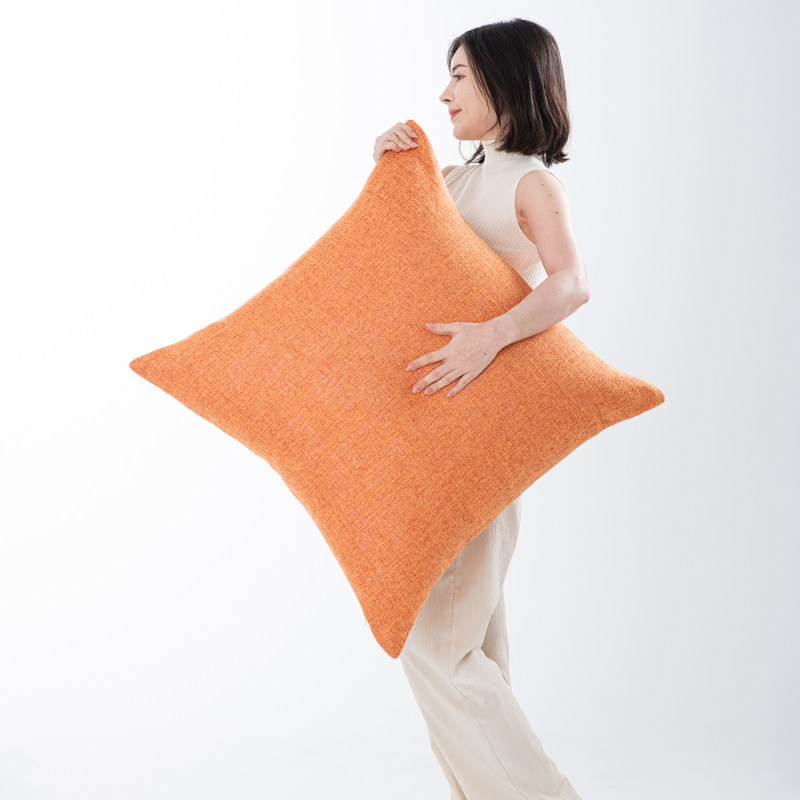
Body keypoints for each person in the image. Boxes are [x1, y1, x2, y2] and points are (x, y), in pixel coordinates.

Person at [372, 18, 589, 800]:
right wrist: (385, 165)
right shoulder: (457, 178)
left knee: (438, 645)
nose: (444, 92)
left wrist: (491, 336)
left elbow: (570, 283)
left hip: (478, 439)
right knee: (472, 648)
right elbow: (398, 257)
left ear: (506, 80)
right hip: (437, 434)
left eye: (460, 75)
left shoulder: (529, 182)